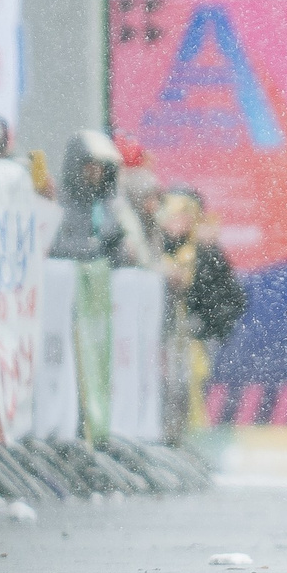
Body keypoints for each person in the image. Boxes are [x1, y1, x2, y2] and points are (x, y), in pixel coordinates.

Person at [156, 188, 246, 442]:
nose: (177, 223)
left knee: (188, 390)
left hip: (192, 340)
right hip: (162, 337)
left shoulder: (205, 253)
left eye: (185, 216)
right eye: (173, 215)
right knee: (166, 391)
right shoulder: (157, 248)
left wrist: (205, 325)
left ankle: (189, 441)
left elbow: (231, 298)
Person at [48, 130, 142, 264]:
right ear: (76, 166)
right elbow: (51, 246)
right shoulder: (58, 202)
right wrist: (97, 248)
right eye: (90, 166)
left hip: (101, 280)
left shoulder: (112, 204)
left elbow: (133, 250)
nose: (96, 173)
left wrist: (118, 246)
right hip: (66, 280)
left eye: (101, 167)